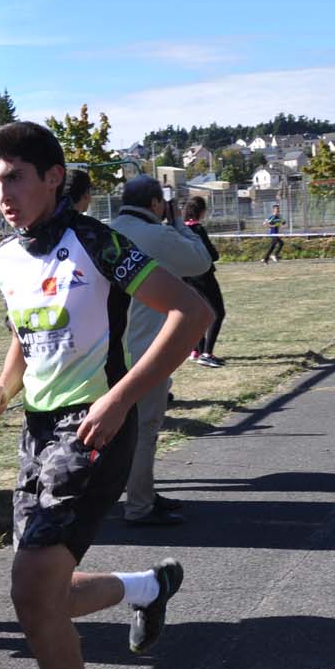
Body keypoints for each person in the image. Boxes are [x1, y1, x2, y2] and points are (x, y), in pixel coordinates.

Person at [0, 121, 209, 669]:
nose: (4, 194)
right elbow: (26, 331)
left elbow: (189, 314)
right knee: (47, 593)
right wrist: (3, 390)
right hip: (39, 434)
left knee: (29, 590)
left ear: (52, 177)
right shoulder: (6, 256)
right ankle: (146, 588)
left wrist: (119, 397)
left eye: (14, 177)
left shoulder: (98, 242)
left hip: (95, 430)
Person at [112, 177, 212, 526]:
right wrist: (178, 224)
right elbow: (200, 261)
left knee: (114, 430)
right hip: (145, 351)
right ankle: (139, 505)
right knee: (144, 430)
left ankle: (142, 492)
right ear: (156, 203)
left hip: (106, 351)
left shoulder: (105, 231)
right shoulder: (157, 235)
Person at [181, 196, 226, 366]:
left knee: (196, 313)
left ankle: (196, 350)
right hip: (203, 276)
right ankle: (207, 353)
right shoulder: (197, 229)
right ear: (201, 211)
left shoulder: (178, 230)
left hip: (185, 278)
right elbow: (213, 254)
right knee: (217, 313)